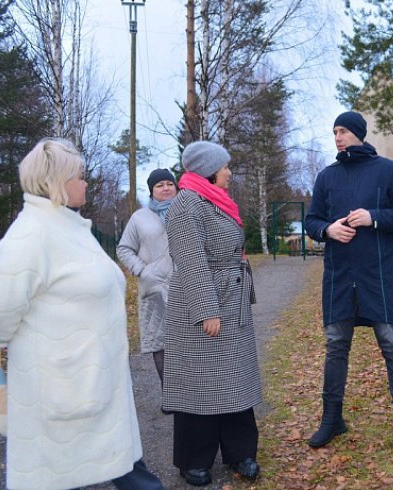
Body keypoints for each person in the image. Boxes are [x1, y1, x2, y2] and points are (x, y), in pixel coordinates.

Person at [0, 138, 163, 490]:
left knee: (121, 466)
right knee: (67, 476)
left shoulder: (70, 227)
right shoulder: (29, 235)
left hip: (93, 383)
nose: (86, 182)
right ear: (57, 181)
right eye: (80, 176)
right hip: (60, 389)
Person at [304, 111, 393, 450]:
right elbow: (312, 221)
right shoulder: (328, 177)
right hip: (340, 277)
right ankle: (332, 419)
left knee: (392, 345)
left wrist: (374, 217)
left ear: (357, 133)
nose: (337, 137)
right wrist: (328, 230)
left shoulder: (387, 171)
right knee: (336, 346)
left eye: (342, 131)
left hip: (379, 276)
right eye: (334, 131)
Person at [162, 141, 262, 486]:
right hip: (203, 305)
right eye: (225, 167)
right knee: (200, 385)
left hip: (229, 299)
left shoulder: (215, 200)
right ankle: (194, 459)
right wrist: (207, 310)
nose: (230, 172)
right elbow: (190, 261)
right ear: (208, 170)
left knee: (234, 379)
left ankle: (241, 452)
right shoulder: (186, 206)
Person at [117, 168, 178, 386]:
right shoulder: (139, 218)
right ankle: (169, 394)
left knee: (187, 339)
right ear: (152, 190)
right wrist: (143, 270)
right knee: (159, 341)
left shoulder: (186, 212)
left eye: (169, 184)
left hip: (184, 285)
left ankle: (191, 394)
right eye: (160, 185)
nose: (166, 188)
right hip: (154, 288)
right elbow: (124, 249)